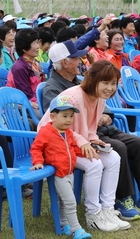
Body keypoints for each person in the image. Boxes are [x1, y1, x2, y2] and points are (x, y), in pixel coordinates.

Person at [37, 61, 127, 232]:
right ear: (92, 79)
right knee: (95, 164)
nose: (110, 88)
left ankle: (107, 210)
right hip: (55, 144)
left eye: (113, 83)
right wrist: (84, 141)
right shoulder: (74, 97)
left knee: (114, 157)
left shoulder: (100, 98)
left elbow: (90, 128)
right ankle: (93, 214)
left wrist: (93, 140)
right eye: (105, 82)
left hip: (75, 144)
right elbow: (62, 128)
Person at [30, 96, 92, 239]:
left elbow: (73, 148)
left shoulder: (68, 132)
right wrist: (38, 162)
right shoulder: (46, 132)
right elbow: (36, 149)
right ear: (53, 116)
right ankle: (77, 230)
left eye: (71, 116)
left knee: (64, 200)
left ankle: (64, 224)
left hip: (69, 171)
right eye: (65, 116)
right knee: (70, 201)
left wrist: (87, 152)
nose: (69, 120)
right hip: (59, 173)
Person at [41, 41, 88, 113]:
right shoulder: (52, 90)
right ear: (65, 63)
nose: (80, 62)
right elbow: (60, 119)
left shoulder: (78, 82)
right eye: (76, 58)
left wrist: (105, 115)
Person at [7, 29, 46, 116]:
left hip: (37, 102)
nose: (38, 47)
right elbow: (26, 96)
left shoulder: (35, 63)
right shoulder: (19, 68)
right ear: (24, 48)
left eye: (37, 42)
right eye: (34, 43)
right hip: (24, 106)